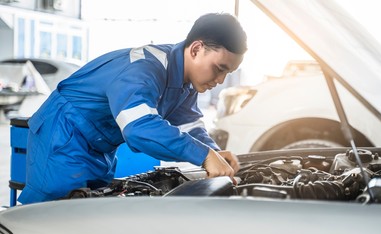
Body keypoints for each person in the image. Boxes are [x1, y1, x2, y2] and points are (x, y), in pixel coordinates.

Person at [18, 13, 247, 204]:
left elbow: (188, 123)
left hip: (99, 145)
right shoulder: (144, 69)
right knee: (53, 213)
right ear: (196, 49)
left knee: (89, 208)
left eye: (228, 73)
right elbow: (139, 128)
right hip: (64, 132)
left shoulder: (183, 83)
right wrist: (204, 156)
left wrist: (214, 152)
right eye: (219, 68)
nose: (220, 80)